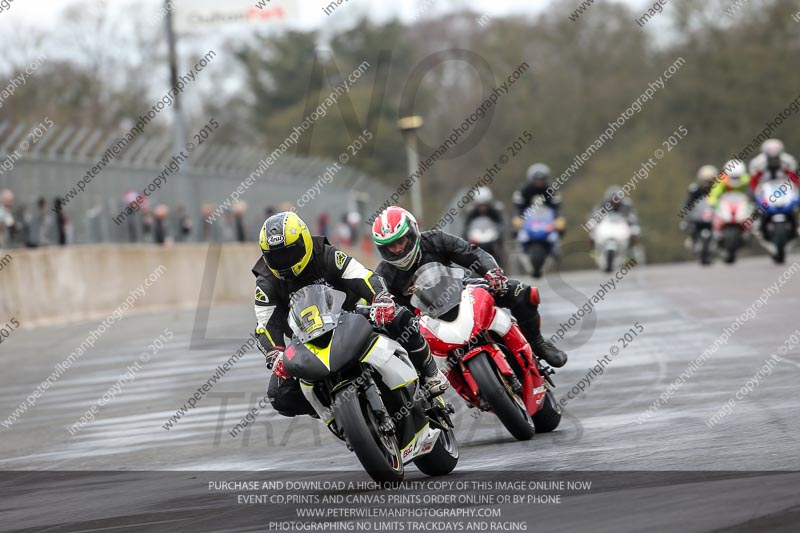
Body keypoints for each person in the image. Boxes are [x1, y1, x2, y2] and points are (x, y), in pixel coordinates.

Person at [253, 211, 448, 418]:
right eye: (275, 256)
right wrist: (274, 353)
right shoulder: (266, 282)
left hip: (352, 319)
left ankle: (430, 373)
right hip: (306, 340)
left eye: (289, 252)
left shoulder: (326, 255)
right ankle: (335, 412)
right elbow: (264, 325)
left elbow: (363, 276)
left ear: (305, 242)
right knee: (278, 395)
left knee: (400, 316)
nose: (284, 261)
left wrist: (380, 298)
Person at [371, 206, 567, 368]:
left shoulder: (435, 240)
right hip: (425, 321)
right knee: (402, 348)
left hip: (463, 291)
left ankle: (537, 343)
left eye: (401, 241)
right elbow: (375, 301)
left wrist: (492, 272)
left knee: (523, 292)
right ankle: (430, 397)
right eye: (390, 246)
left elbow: (472, 253)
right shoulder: (383, 274)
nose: (397, 249)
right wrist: (382, 311)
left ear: (412, 232)